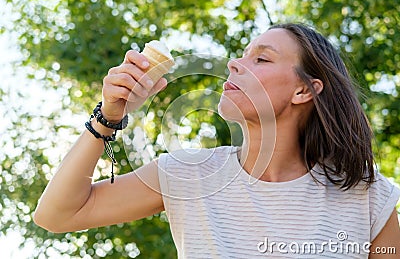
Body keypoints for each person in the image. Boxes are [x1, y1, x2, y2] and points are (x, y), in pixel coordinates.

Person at [34, 23, 400, 258]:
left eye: (261, 59)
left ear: (304, 89)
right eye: (241, 56)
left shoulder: (368, 196)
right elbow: (57, 214)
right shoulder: (187, 174)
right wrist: (109, 117)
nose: (236, 65)